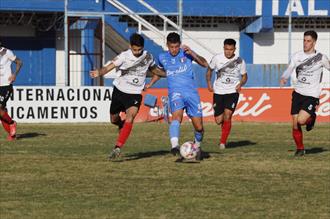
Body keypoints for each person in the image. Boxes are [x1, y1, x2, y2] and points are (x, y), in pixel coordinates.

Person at [90, 33, 163, 159]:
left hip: (135, 94)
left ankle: (117, 147)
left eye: (139, 49)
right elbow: (109, 67)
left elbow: (155, 70)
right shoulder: (124, 56)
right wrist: (99, 72)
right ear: (130, 46)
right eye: (135, 49)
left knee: (130, 118)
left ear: (143, 47)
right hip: (119, 91)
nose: (137, 52)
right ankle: (120, 125)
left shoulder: (147, 57)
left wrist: (171, 74)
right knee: (113, 119)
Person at [157, 32, 208, 160]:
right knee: (176, 118)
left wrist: (193, 53)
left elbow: (205, 64)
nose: (174, 50)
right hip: (175, 93)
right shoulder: (162, 57)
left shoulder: (187, 53)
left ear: (180, 45)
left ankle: (197, 146)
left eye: (176, 47)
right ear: (167, 45)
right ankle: (174, 146)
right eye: (171, 47)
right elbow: (159, 72)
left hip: (191, 94)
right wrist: (150, 83)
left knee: (199, 127)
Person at [280, 30, 330, 156]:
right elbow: (290, 68)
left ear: (314, 42)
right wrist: (284, 77)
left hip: (312, 95)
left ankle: (312, 118)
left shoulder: (321, 57)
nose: (305, 43)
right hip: (297, 93)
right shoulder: (297, 56)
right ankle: (300, 149)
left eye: (308, 41)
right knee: (295, 124)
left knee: (301, 121)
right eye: (304, 40)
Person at [206, 39, 248, 149]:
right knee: (219, 120)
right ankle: (223, 134)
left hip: (232, 91)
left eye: (230, 49)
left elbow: (244, 76)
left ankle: (222, 142)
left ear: (234, 49)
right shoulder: (217, 58)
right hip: (219, 91)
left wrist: (240, 84)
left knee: (228, 116)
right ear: (223, 48)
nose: (228, 52)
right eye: (226, 49)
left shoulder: (239, 61)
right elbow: (209, 70)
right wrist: (209, 83)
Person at [0, 42, 23, 141]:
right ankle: (12, 135)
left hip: (6, 85)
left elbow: (19, 62)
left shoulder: (7, 52)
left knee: (0, 110)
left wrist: (14, 75)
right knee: (1, 114)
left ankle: (12, 123)